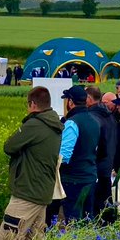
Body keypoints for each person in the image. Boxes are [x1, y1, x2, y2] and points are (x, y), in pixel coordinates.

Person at [0, 86, 63, 240]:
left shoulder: (34, 124)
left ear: (33, 104)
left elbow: (9, 146)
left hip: (27, 192)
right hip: (43, 192)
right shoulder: (55, 124)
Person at [46, 85, 99, 225]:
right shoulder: (94, 120)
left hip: (74, 179)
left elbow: (64, 155)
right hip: (90, 175)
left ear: (70, 102)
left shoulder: (72, 123)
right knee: (87, 218)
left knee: (74, 219)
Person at [86, 86, 117, 218]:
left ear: (89, 98)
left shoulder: (92, 117)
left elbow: (94, 145)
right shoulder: (110, 116)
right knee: (105, 205)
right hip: (108, 166)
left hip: (96, 168)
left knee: (93, 207)